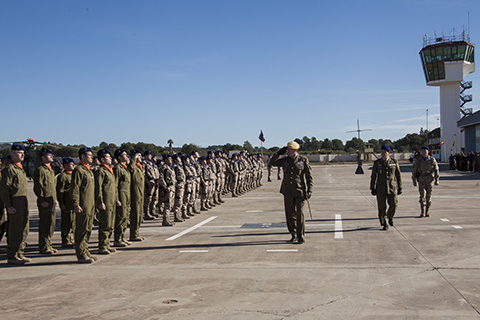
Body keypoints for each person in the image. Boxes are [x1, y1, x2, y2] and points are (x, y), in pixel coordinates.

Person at [269, 141, 313, 244]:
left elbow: (309, 176)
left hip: (299, 191)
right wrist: (278, 153)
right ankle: (293, 234)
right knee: (290, 214)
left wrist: (310, 189)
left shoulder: (303, 160)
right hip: (288, 191)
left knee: (300, 214)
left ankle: (300, 235)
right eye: (287, 149)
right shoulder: (285, 160)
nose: (287, 151)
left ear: (295, 150)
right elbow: (272, 163)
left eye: (289, 149)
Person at [0, 144, 31, 265]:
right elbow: (4, 189)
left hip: (23, 205)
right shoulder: (9, 170)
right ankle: (12, 255)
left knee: (23, 230)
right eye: (19, 152)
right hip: (15, 206)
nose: (22, 154)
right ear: (12, 154)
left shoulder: (20, 169)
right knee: (14, 231)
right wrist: (9, 205)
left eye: (23, 153)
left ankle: (19, 253)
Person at [71, 147, 97, 263]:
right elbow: (75, 189)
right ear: (82, 156)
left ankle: (86, 251)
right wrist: (76, 204)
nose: (91, 157)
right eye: (89, 155)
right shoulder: (79, 170)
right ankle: (81, 254)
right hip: (83, 204)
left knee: (88, 228)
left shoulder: (88, 170)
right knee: (81, 229)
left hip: (90, 203)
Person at [370, 145, 402, 230]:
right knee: (381, 207)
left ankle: (390, 217)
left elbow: (398, 175)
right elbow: (373, 176)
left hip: (392, 187)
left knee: (394, 204)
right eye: (382, 152)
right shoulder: (377, 163)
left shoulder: (394, 162)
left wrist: (400, 186)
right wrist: (372, 187)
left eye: (385, 152)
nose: (383, 154)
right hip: (380, 188)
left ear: (389, 153)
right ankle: (384, 223)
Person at [95, 149, 120, 254]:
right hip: (105, 201)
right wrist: (100, 201)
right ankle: (102, 246)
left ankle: (107, 244)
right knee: (105, 224)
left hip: (111, 201)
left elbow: (114, 187)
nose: (110, 159)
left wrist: (116, 199)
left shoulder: (110, 170)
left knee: (110, 224)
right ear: (102, 159)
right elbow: (98, 187)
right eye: (108, 157)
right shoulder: (100, 171)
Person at [33, 148, 58, 254]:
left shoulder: (50, 170)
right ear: (43, 157)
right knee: (45, 223)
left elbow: (52, 186)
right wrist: (42, 199)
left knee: (51, 224)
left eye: (51, 155)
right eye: (49, 155)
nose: (51, 156)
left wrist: (55, 199)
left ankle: (48, 244)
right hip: (45, 201)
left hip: (51, 200)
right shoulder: (41, 170)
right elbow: (38, 186)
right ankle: (43, 246)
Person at [412, 146, 439, 217]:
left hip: (429, 179)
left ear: (428, 152)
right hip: (421, 178)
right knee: (422, 196)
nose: (424, 152)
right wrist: (414, 180)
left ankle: (427, 211)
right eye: (422, 151)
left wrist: (437, 179)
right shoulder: (418, 160)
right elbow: (414, 170)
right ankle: (422, 211)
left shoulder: (432, 159)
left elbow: (436, 170)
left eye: (425, 151)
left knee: (429, 197)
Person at [113, 148, 131, 247]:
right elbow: (115, 185)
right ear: (119, 157)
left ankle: (122, 237)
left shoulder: (125, 168)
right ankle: (117, 239)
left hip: (126, 195)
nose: (127, 155)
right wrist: (117, 199)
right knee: (120, 218)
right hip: (121, 196)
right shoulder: (117, 169)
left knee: (125, 217)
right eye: (124, 155)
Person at [56, 157, 75, 248]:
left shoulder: (73, 175)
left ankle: (71, 239)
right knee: (66, 222)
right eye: (69, 164)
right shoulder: (63, 176)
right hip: (66, 202)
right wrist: (62, 203)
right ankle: (65, 240)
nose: (72, 166)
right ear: (65, 165)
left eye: (72, 164)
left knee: (72, 222)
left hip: (72, 203)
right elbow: (60, 191)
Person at [129, 149, 145, 241]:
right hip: (134, 193)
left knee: (139, 214)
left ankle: (136, 233)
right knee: (135, 214)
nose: (140, 157)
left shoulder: (139, 167)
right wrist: (134, 158)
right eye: (139, 156)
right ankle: (133, 234)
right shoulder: (133, 166)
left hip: (140, 193)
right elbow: (130, 167)